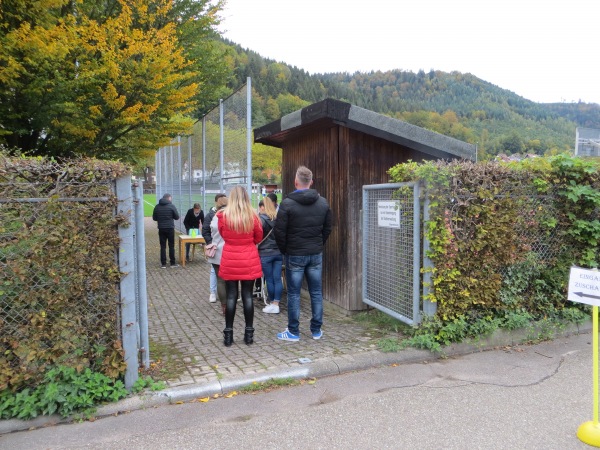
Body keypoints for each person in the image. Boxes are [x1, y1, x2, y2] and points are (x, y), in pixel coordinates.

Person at [274, 166, 332, 341]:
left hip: (295, 253)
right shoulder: (323, 203)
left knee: (293, 293)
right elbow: (327, 228)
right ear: (311, 182)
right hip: (315, 253)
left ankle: (293, 332)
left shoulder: (287, 204)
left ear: (295, 182)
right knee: (316, 292)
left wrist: (286, 250)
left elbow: (279, 232)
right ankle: (316, 331)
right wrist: (318, 244)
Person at [217, 186, 263, 347]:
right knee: (247, 296)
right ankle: (248, 334)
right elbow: (258, 236)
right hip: (248, 258)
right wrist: (247, 244)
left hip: (230, 257)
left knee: (231, 296)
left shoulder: (223, 216)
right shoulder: (253, 217)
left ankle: (228, 334)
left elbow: (223, 235)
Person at [258, 197, 283, 314]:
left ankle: (272, 303)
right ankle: (276, 303)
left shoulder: (260, 220)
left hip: (265, 252)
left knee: (269, 279)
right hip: (278, 252)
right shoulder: (278, 219)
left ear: (263, 207)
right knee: (278, 279)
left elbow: (257, 237)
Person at [205, 195, 228, 315]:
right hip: (229, 251)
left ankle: (224, 306)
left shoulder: (214, 217)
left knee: (220, 280)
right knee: (230, 279)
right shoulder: (231, 216)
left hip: (216, 251)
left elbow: (209, 231)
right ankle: (231, 301)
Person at [152, 193, 180, 268]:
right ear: (168, 198)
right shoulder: (171, 206)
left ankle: (163, 263)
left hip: (161, 228)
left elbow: (154, 218)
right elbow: (177, 217)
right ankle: (172, 263)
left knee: (163, 246)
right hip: (170, 228)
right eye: (171, 198)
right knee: (171, 246)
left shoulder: (157, 207)